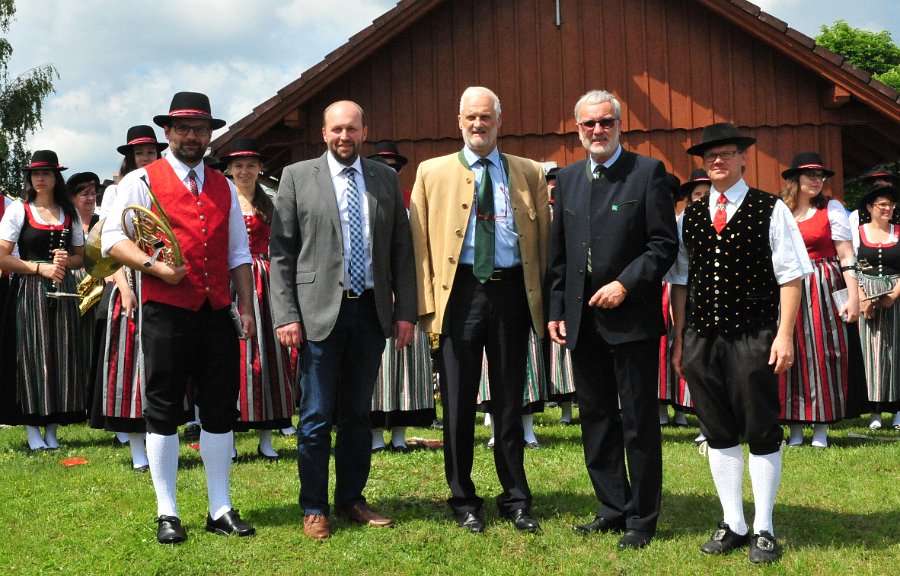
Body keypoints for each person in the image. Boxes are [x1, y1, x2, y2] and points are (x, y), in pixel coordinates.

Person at [102, 92, 257, 544]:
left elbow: (238, 253)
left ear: (210, 135)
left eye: (201, 129)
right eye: (184, 128)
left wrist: (245, 306)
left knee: (219, 407)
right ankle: (167, 512)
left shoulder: (223, 184)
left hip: (215, 311)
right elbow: (112, 238)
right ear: (168, 132)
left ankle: (220, 507)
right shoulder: (142, 180)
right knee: (164, 407)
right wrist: (154, 268)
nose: (192, 136)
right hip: (166, 310)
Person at [269, 100, 416, 540]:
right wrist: (286, 314)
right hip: (316, 314)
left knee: (357, 415)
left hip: (370, 313)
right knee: (315, 416)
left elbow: (401, 252)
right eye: (336, 130)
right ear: (324, 132)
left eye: (351, 129)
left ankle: (351, 498)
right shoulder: (297, 177)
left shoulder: (384, 178)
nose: (344, 137)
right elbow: (282, 254)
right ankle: (314, 507)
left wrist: (405, 311)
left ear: (364, 131)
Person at [669, 122, 812, 564]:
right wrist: (679, 342)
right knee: (716, 429)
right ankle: (733, 522)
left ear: (743, 158)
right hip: (700, 337)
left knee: (761, 429)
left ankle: (764, 528)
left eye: (726, 154)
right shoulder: (688, 216)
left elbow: (791, 276)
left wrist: (784, 335)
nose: (718, 161)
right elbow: (679, 282)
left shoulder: (770, 209)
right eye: (710, 156)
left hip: (754, 334)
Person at [409, 86, 550, 534]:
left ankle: (516, 497)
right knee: (456, 401)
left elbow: (544, 241)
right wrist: (427, 309)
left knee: (509, 400)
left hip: (510, 292)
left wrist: (541, 303)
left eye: (485, 117)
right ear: (459, 120)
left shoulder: (528, 172)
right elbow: (419, 249)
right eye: (470, 116)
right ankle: (463, 497)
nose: (477, 124)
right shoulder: (431, 173)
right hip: (459, 293)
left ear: (498, 121)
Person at [546, 90, 677, 550]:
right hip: (581, 323)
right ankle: (612, 506)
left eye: (605, 122)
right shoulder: (567, 179)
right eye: (588, 124)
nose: (597, 131)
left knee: (638, 421)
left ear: (619, 124)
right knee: (596, 418)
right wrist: (556, 310)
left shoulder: (647, 173)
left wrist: (626, 284)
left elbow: (663, 245)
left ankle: (642, 518)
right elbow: (558, 255)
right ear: (577, 129)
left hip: (632, 321)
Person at [90, 125, 169, 472]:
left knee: (163, 364)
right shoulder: (117, 191)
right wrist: (123, 285)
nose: (146, 158)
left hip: (163, 276)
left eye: (151, 152)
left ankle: (160, 444)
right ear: (130, 157)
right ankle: (137, 449)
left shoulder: (168, 185)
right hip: (131, 281)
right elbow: (107, 246)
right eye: (140, 153)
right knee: (129, 365)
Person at [0, 150, 86, 450]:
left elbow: (79, 257)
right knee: (32, 356)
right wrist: (39, 267)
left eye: (46, 173)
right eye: (35, 173)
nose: (40, 178)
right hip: (30, 292)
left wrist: (67, 260)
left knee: (62, 355)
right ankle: (32, 430)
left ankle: (52, 428)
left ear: (55, 177)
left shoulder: (69, 212)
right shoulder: (19, 211)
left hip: (63, 291)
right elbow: (3, 257)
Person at [218, 137, 295, 460]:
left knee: (269, 359)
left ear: (260, 168)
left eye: (250, 165)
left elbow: (282, 247)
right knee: (230, 359)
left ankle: (266, 438)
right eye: (238, 166)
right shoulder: (222, 200)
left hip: (266, 281)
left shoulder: (271, 203)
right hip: (232, 281)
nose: (245, 171)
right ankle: (229, 440)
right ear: (230, 169)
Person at [778, 152, 859, 448]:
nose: (816, 180)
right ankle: (795, 428)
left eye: (820, 175)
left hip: (823, 286)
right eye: (810, 174)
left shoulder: (831, 208)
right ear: (795, 179)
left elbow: (847, 254)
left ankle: (821, 428)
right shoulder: (782, 210)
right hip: (789, 286)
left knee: (825, 353)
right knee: (792, 353)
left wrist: (853, 295)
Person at [366, 141, 435, 453]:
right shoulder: (364, 199)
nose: (389, 171)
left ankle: (399, 435)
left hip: (406, 288)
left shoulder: (411, 202)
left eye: (394, 167)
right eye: (384, 165)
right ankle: (376, 436)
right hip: (376, 289)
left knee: (406, 361)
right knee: (377, 364)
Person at [855, 183, 900, 431]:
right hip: (867, 296)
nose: (887, 209)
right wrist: (863, 298)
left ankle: (897, 411)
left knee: (896, 353)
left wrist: (893, 295)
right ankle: (874, 410)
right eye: (882, 204)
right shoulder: (859, 232)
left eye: (891, 205)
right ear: (870, 207)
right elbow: (852, 266)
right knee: (870, 354)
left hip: (896, 296)